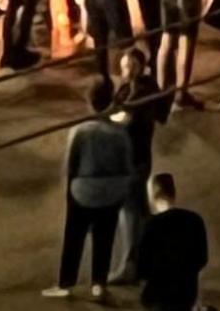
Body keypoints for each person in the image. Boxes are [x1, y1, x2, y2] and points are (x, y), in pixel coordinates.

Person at [53, 84, 138, 300]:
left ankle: (66, 283)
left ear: (90, 103)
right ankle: (98, 284)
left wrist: (70, 190)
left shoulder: (81, 131)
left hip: (84, 189)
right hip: (112, 191)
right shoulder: (119, 134)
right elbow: (127, 165)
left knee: (74, 236)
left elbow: (70, 166)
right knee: (105, 238)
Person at [133, 175, 209, 311]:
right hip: (186, 293)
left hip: (157, 295)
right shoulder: (194, 220)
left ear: (153, 194)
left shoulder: (152, 224)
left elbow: (142, 266)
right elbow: (202, 258)